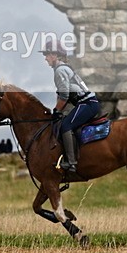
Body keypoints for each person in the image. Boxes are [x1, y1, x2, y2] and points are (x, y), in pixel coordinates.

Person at [42, 38, 100, 174]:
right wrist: (58, 110)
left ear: (54, 55)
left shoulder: (60, 71)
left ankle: (71, 162)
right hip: (87, 103)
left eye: (46, 55)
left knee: (66, 126)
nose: (45, 58)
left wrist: (56, 110)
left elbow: (64, 96)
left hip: (87, 104)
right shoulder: (63, 68)